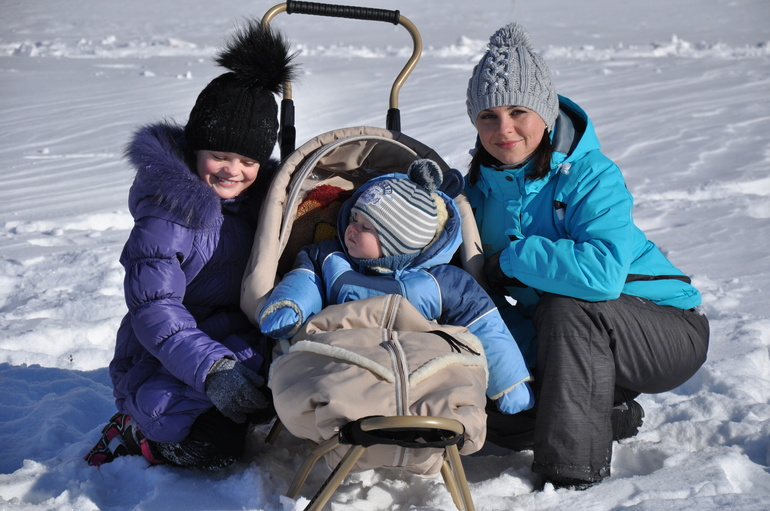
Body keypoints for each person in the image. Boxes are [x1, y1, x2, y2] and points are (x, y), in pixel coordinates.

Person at [462, 22, 710, 489]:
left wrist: (513, 259)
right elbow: (480, 300)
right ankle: (606, 412)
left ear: (545, 112)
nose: (504, 129)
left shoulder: (591, 174)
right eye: (488, 116)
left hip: (666, 328)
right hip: (567, 337)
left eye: (518, 111)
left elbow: (602, 276)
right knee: (501, 417)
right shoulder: (476, 194)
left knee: (568, 305)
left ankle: (571, 475)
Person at [83, 20, 298, 470]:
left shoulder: (262, 206)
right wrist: (211, 367)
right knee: (216, 448)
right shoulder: (168, 213)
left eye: (248, 160)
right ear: (196, 148)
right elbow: (154, 306)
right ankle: (135, 432)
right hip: (164, 353)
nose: (232, 171)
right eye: (219, 155)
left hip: (238, 340)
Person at [258, 159, 535, 415]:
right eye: (354, 219)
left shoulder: (441, 281)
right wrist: (291, 307)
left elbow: (485, 325)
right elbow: (305, 279)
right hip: (347, 359)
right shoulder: (330, 259)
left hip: (419, 369)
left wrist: (508, 382)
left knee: (451, 367)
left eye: (367, 228)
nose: (352, 229)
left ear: (398, 244)